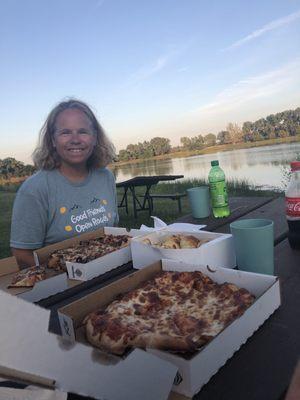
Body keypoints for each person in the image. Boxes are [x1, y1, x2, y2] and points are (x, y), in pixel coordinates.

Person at [10, 99, 118, 268]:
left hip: (112, 273)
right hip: (65, 287)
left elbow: (114, 231)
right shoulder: (35, 189)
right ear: (52, 140)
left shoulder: (106, 177)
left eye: (83, 131)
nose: (75, 139)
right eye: (65, 132)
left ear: (95, 137)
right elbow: (21, 255)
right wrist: (65, 277)